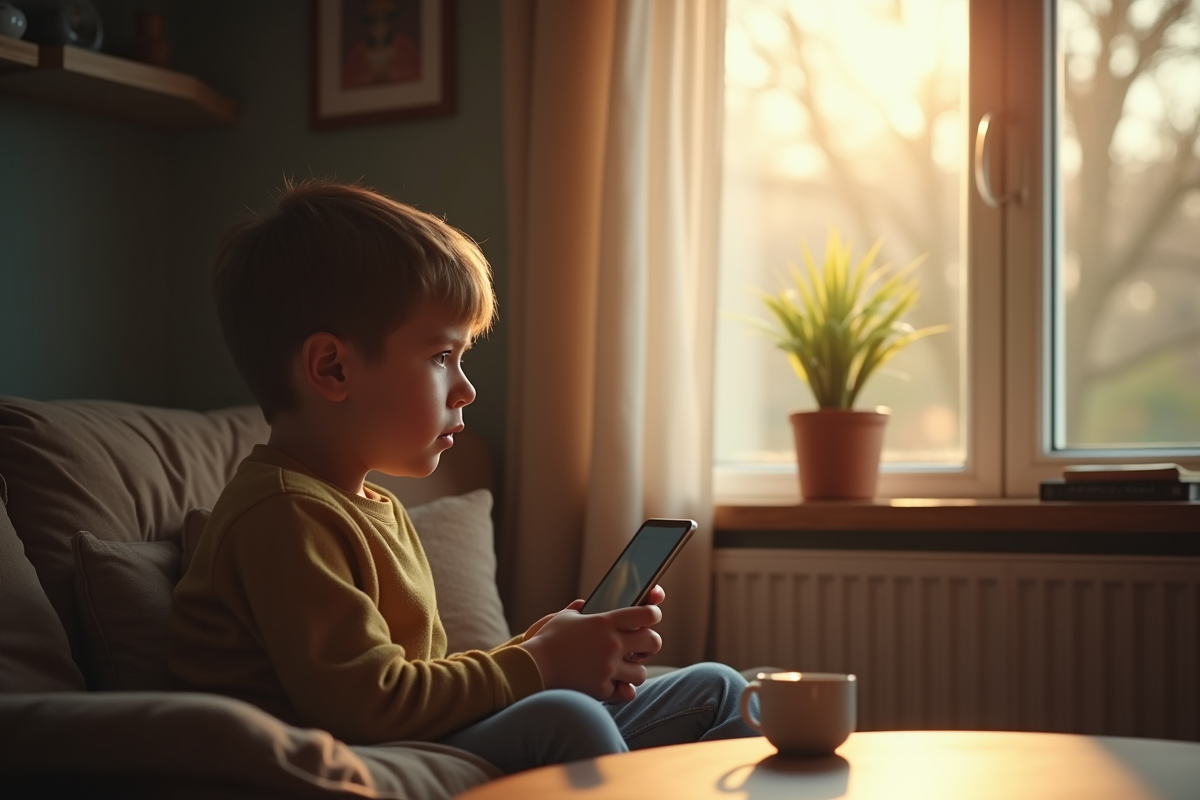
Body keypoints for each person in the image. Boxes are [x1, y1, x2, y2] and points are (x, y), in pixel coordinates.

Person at [168, 179, 756, 774]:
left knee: (717, 686)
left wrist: (539, 646)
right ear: (333, 368)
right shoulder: (282, 515)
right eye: (440, 357)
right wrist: (541, 665)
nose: (466, 389)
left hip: (414, 737)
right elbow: (369, 704)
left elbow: (429, 684)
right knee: (569, 719)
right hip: (356, 762)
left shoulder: (373, 506)